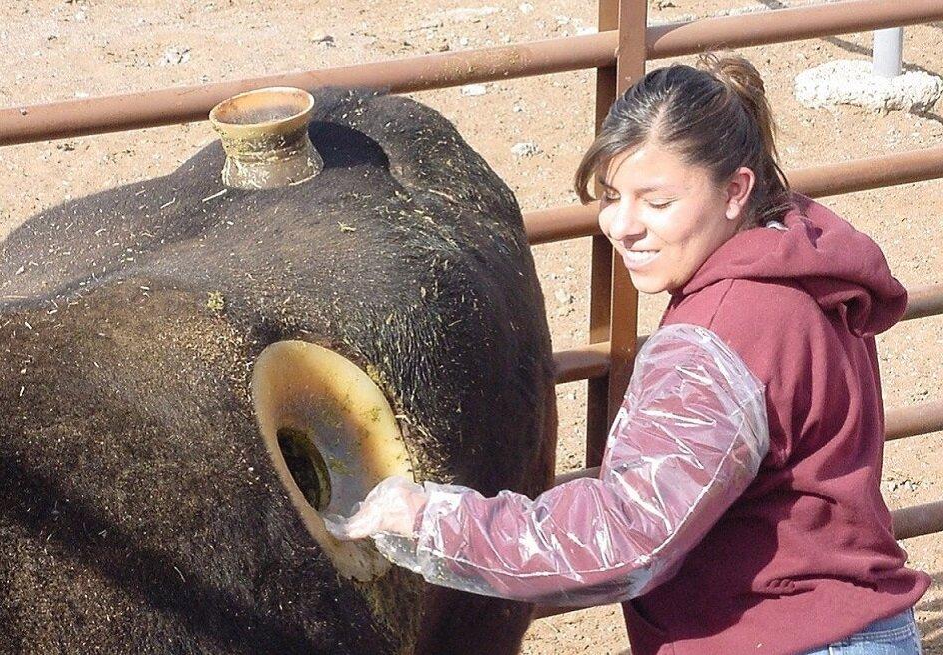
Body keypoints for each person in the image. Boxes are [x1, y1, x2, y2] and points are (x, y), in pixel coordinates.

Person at [325, 52, 930, 654]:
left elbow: (627, 537)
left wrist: (431, 521)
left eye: (657, 202)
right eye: (612, 195)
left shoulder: (716, 340)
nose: (622, 225)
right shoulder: (803, 268)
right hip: (861, 628)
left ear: (735, 191)